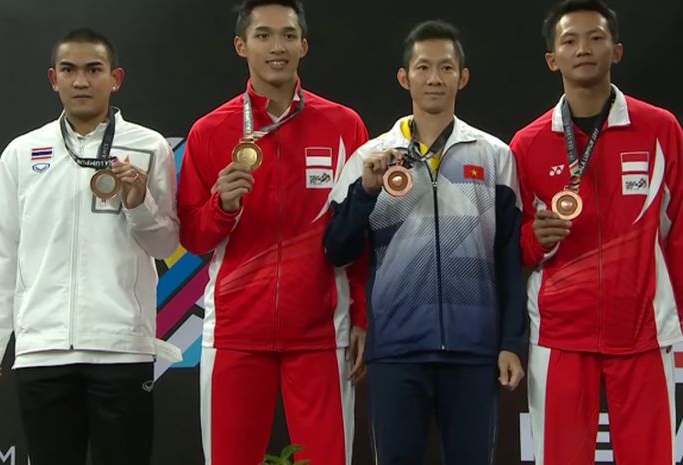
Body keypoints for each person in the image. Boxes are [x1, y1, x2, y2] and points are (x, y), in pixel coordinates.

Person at [324, 19, 526, 465]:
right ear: (404, 77)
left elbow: (510, 258)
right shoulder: (370, 157)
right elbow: (336, 250)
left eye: (446, 68)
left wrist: (511, 341)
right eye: (423, 68)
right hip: (396, 350)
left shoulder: (494, 155)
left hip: (474, 352)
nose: (434, 78)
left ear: (463, 76)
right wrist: (366, 192)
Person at [176, 1, 369, 464]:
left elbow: (360, 232)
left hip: (321, 332)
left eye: (287, 35)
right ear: (242, 46)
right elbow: (193, 238)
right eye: (263, 36)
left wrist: (360, 313)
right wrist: (222, 207)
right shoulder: (210, 131)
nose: (276, 47)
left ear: (303, 44)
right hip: (237, 332)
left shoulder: (345, 125)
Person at [0, 28, 179, 465]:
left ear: (116, 78)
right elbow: (0, 250)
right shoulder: (22, 151)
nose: (81, 81)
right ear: (54, 78)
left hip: (121, 347)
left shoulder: (148, 146)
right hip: (42, 349)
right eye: (69, 71)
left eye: (94, 70)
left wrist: (138, 204)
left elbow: (165, 242)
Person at [510, 1, 683, 464]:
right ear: (553, 59)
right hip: (560, 333)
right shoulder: (526, 144)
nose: (583, 49)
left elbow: (679, 233)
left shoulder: (660, 129)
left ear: (617, 50)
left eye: (596, 38)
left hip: (644, 330)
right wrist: (535, 239)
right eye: (569, 40)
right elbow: (512, 246)